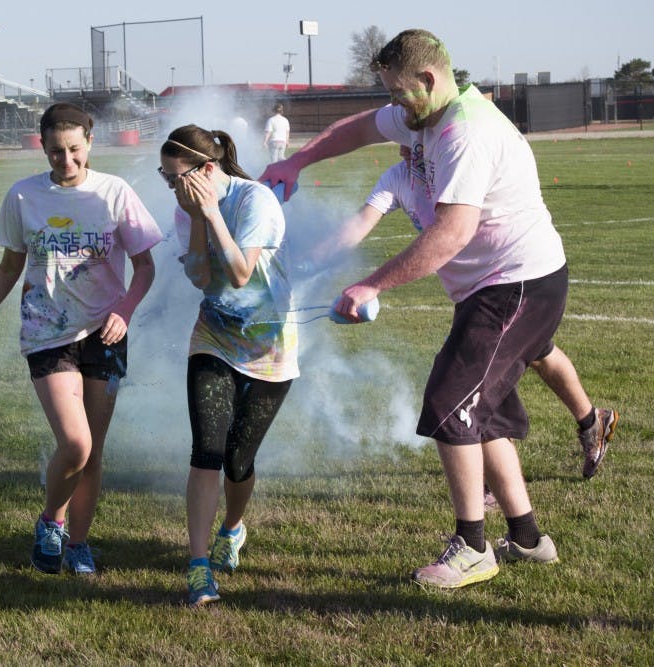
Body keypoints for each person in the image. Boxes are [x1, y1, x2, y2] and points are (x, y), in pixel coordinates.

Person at [268, 28, 614, 589]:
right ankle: (526, 538)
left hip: (518, 284)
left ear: (428, 81)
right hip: (491, 290)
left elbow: (452, 234)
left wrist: (372, 286)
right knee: (485, 411)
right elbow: (358, 129)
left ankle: (472, 548)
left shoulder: (465, 132)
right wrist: (298, 163)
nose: (393, 109)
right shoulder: (419, 118)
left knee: (451, 402)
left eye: (399, 94)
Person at [0, 103, 163, 576]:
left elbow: (146, 266)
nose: (66, 161)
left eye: (74, 150)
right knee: (75, 443)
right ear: (42, 146)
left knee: (94, 451)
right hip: (47, 330)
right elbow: (10, 267)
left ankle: (79, 545)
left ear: (90, 142)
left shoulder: (115, 192)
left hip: (106, 334)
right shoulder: (24, 196)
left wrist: (125, 311)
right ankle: (51, 520)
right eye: (55, 152)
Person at [336, 155, 619, 494]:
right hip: (478, 292)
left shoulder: (460, 161)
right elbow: (360, 222)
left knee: (471, 380)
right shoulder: (399, 177)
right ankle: (592, 421)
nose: (408, 144)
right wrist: (315, 259)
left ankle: (498, 495)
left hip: (510, 281)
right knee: (539, 353)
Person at [159, 124, 299, 606]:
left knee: (240, 460)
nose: (174, 188)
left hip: (269, 347)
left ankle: (233, 528)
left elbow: (240, 273)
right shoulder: (187, 211)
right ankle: (198, 567)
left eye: (178, 178)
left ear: (207, 170)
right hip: (214, 337)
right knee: (208, 449)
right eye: (167, 178)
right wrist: (196, 216)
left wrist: (211, 212)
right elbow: (202, 278)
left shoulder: (255, 200)